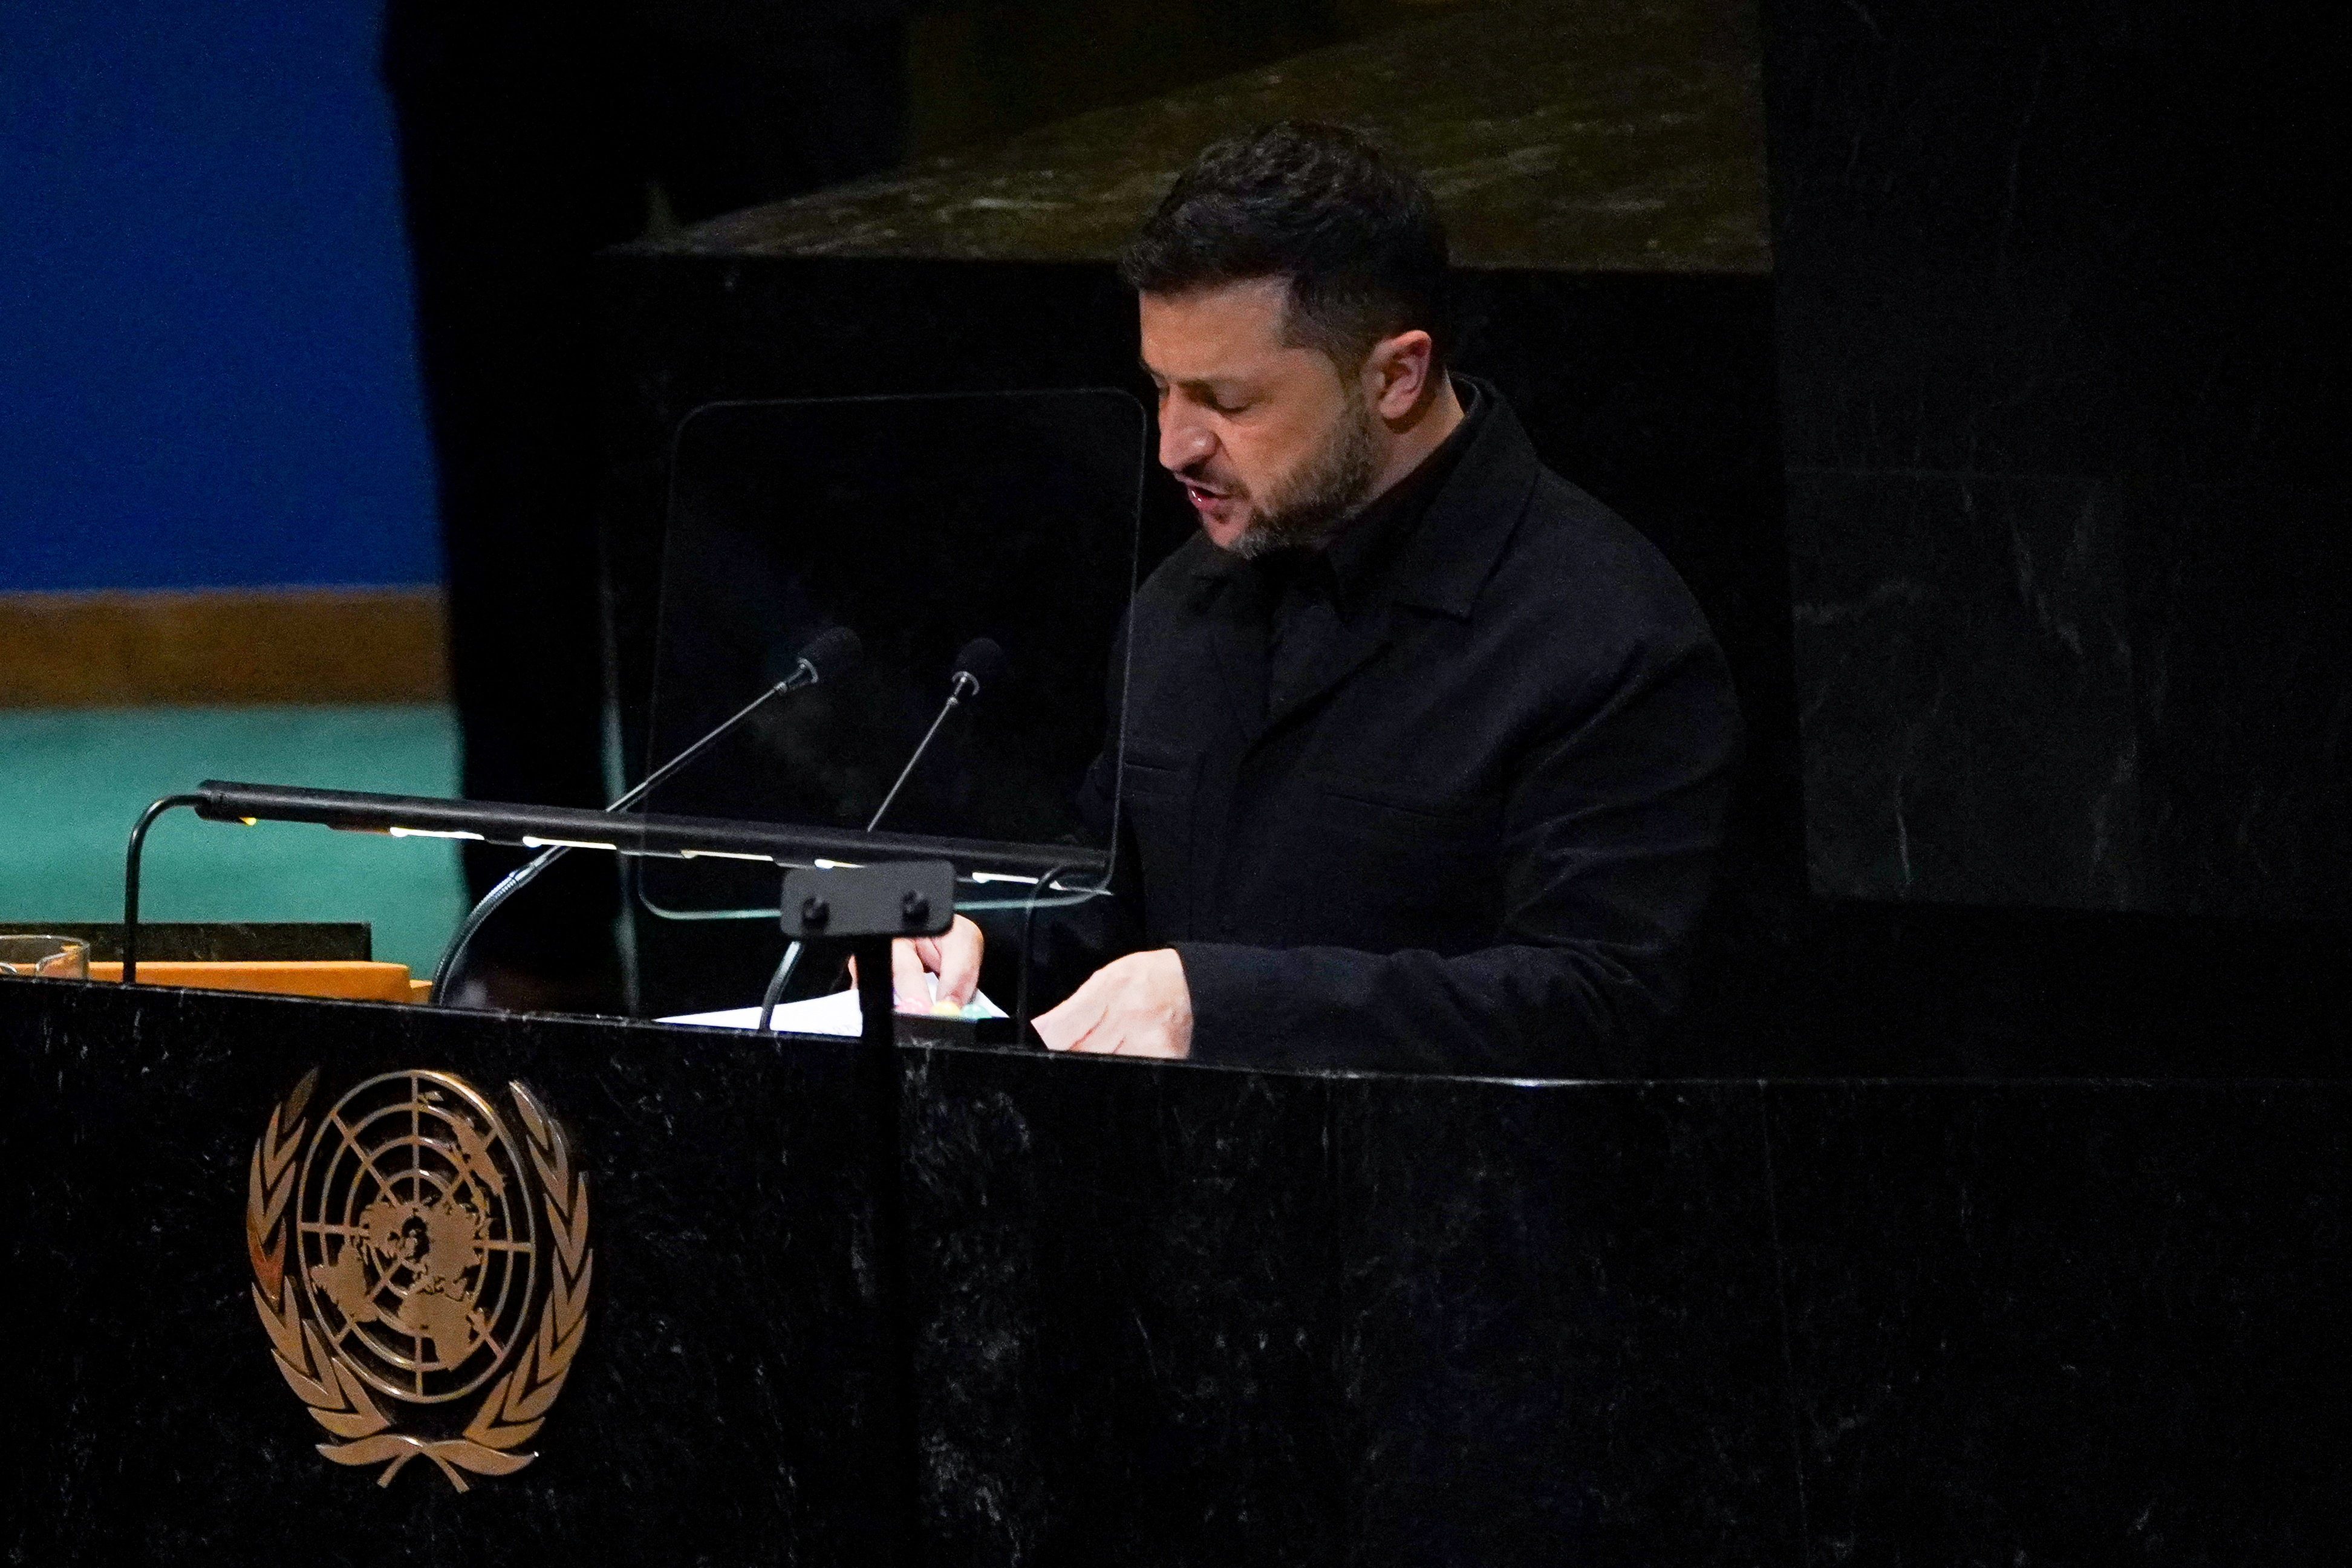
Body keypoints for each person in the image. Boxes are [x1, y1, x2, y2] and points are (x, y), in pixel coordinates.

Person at [899, 120, 1741, 1075]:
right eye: (1161, 387)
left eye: (1227, 402)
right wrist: (973, 939)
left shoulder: (1605, 633)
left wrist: (1224, 1007)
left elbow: (1595, 1001)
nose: (1173, 445)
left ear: (1395, 376)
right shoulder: (1182, 601)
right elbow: (1109, 898)